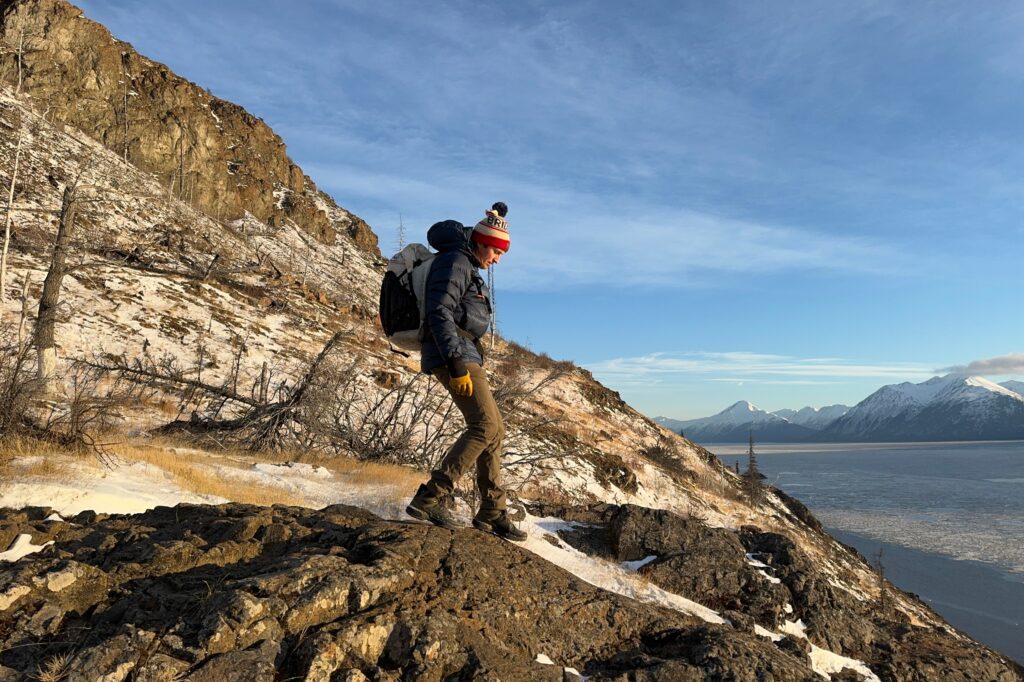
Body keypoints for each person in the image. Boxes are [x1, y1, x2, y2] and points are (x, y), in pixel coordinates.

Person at [406, 202, 527, 542]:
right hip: (454, 356)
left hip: (463, 353)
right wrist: (457, 364)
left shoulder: (466, 263)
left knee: (495, 430)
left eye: (501, 252)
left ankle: (492, 510)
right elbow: (439, 311)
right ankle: (431, 496)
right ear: (478, 242)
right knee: (485, 425)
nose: (497, 259)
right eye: (495, 250)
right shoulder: (456, 261)